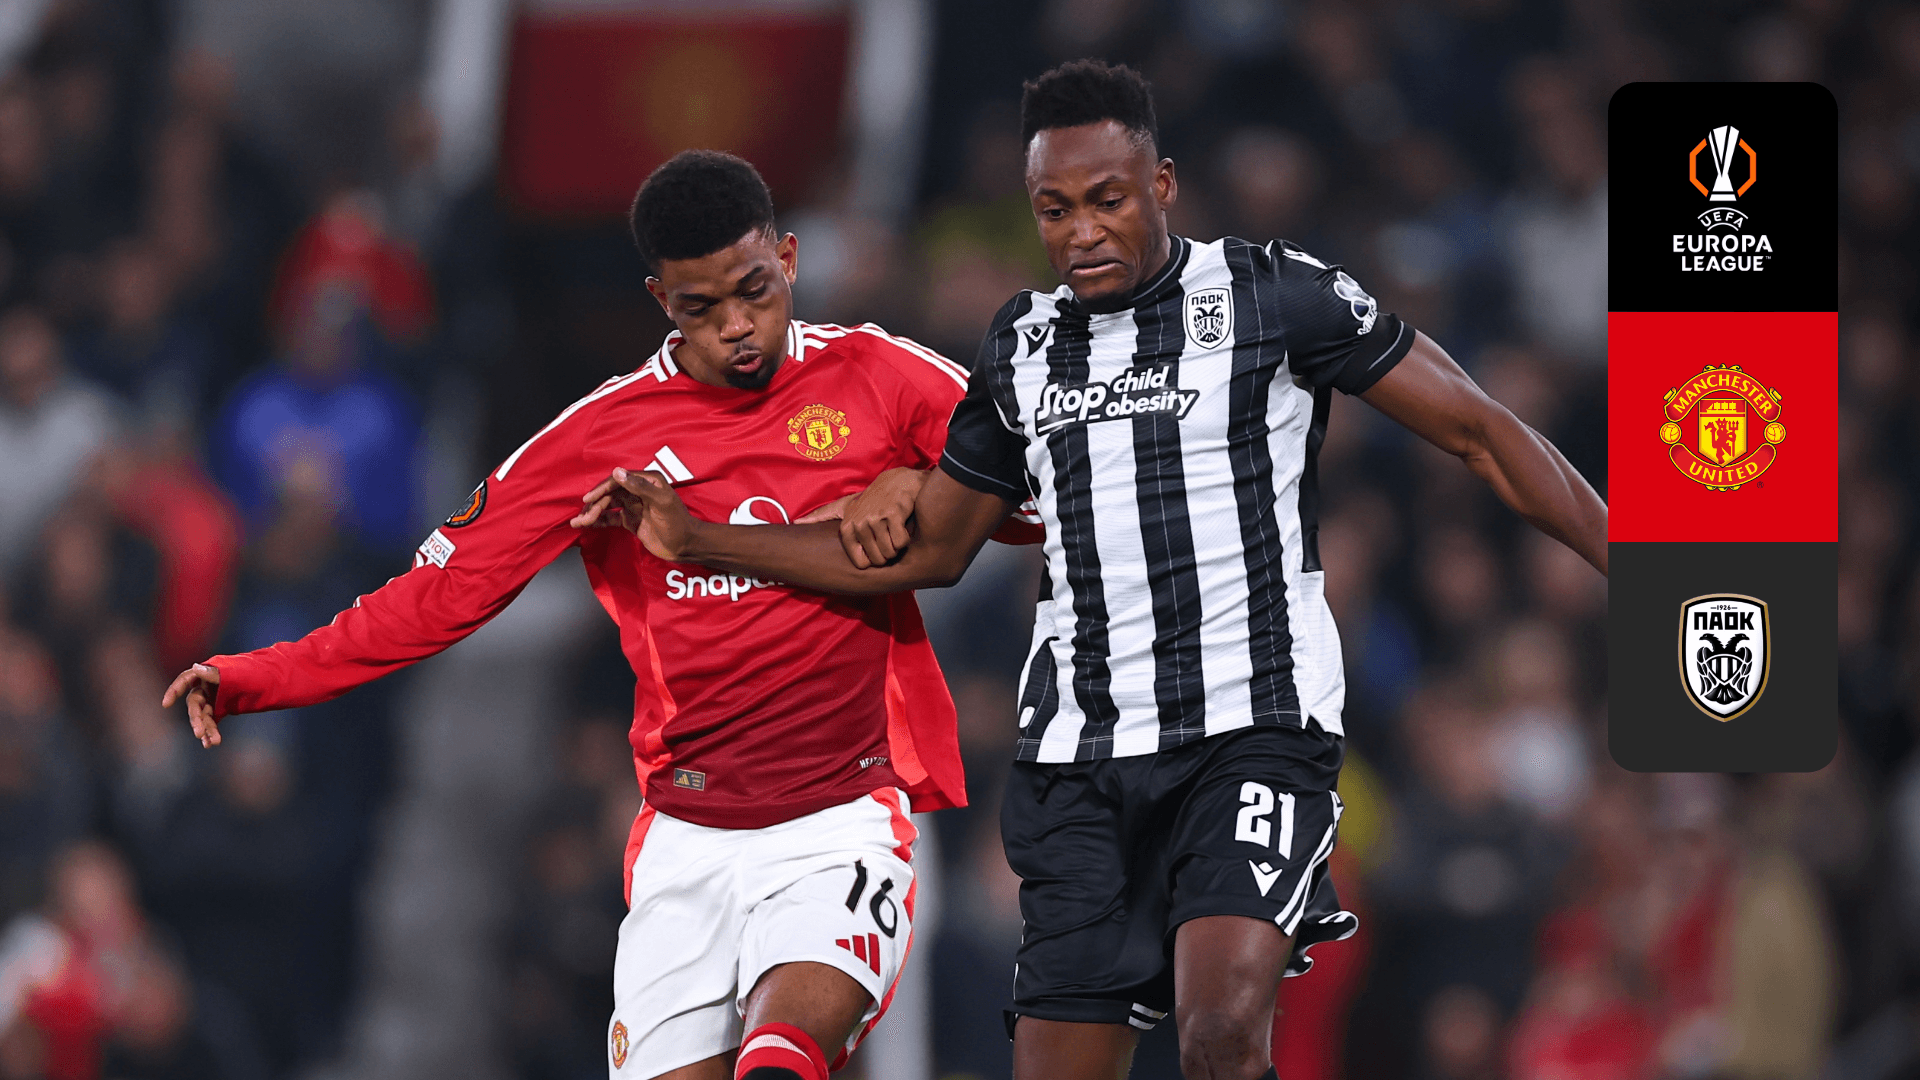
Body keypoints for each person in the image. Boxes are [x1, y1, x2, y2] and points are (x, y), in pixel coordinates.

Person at [594, 61, 1607, 1080]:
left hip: (1251, 731)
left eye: (1107, 200)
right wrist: (705, 539)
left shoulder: (1273, 294)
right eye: (1055, 209)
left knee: (1218, 1033)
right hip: (1080, 762)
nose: (1082, 231)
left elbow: (1479, 431)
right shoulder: (1023, 347)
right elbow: (934, 549)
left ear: (1162, 186)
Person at [164, 150, 1036, 1080]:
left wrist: (914, 482)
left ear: (786, 258)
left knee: (780, 1060)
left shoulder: (880, 376)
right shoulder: (602, 439)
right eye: (702, 308)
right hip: (686, 841)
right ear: (662, 300)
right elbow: (437, 596)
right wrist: (260, 676)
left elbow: (1033, 488)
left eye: (754, 290)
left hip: (839, 821)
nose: (738, 327)